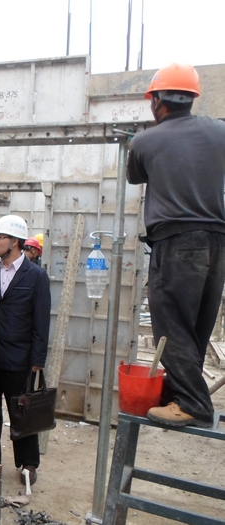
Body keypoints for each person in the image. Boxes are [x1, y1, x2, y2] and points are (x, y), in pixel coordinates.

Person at [127, 62, 225, 428]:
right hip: (217, 241)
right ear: (192, 98)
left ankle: (194, 404)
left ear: (156, 101)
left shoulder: (145, 141)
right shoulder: (220, 131)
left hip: (177, 241)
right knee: (197, 324)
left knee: (170, 323)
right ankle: (181, 393)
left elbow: (136, 175)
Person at [0, 215, 51, 486]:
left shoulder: (36, 276)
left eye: (0, 238)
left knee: (21, 412)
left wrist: (37, 360)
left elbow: (41, 321)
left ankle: (28, 463)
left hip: (18, 358)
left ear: (15, 242)